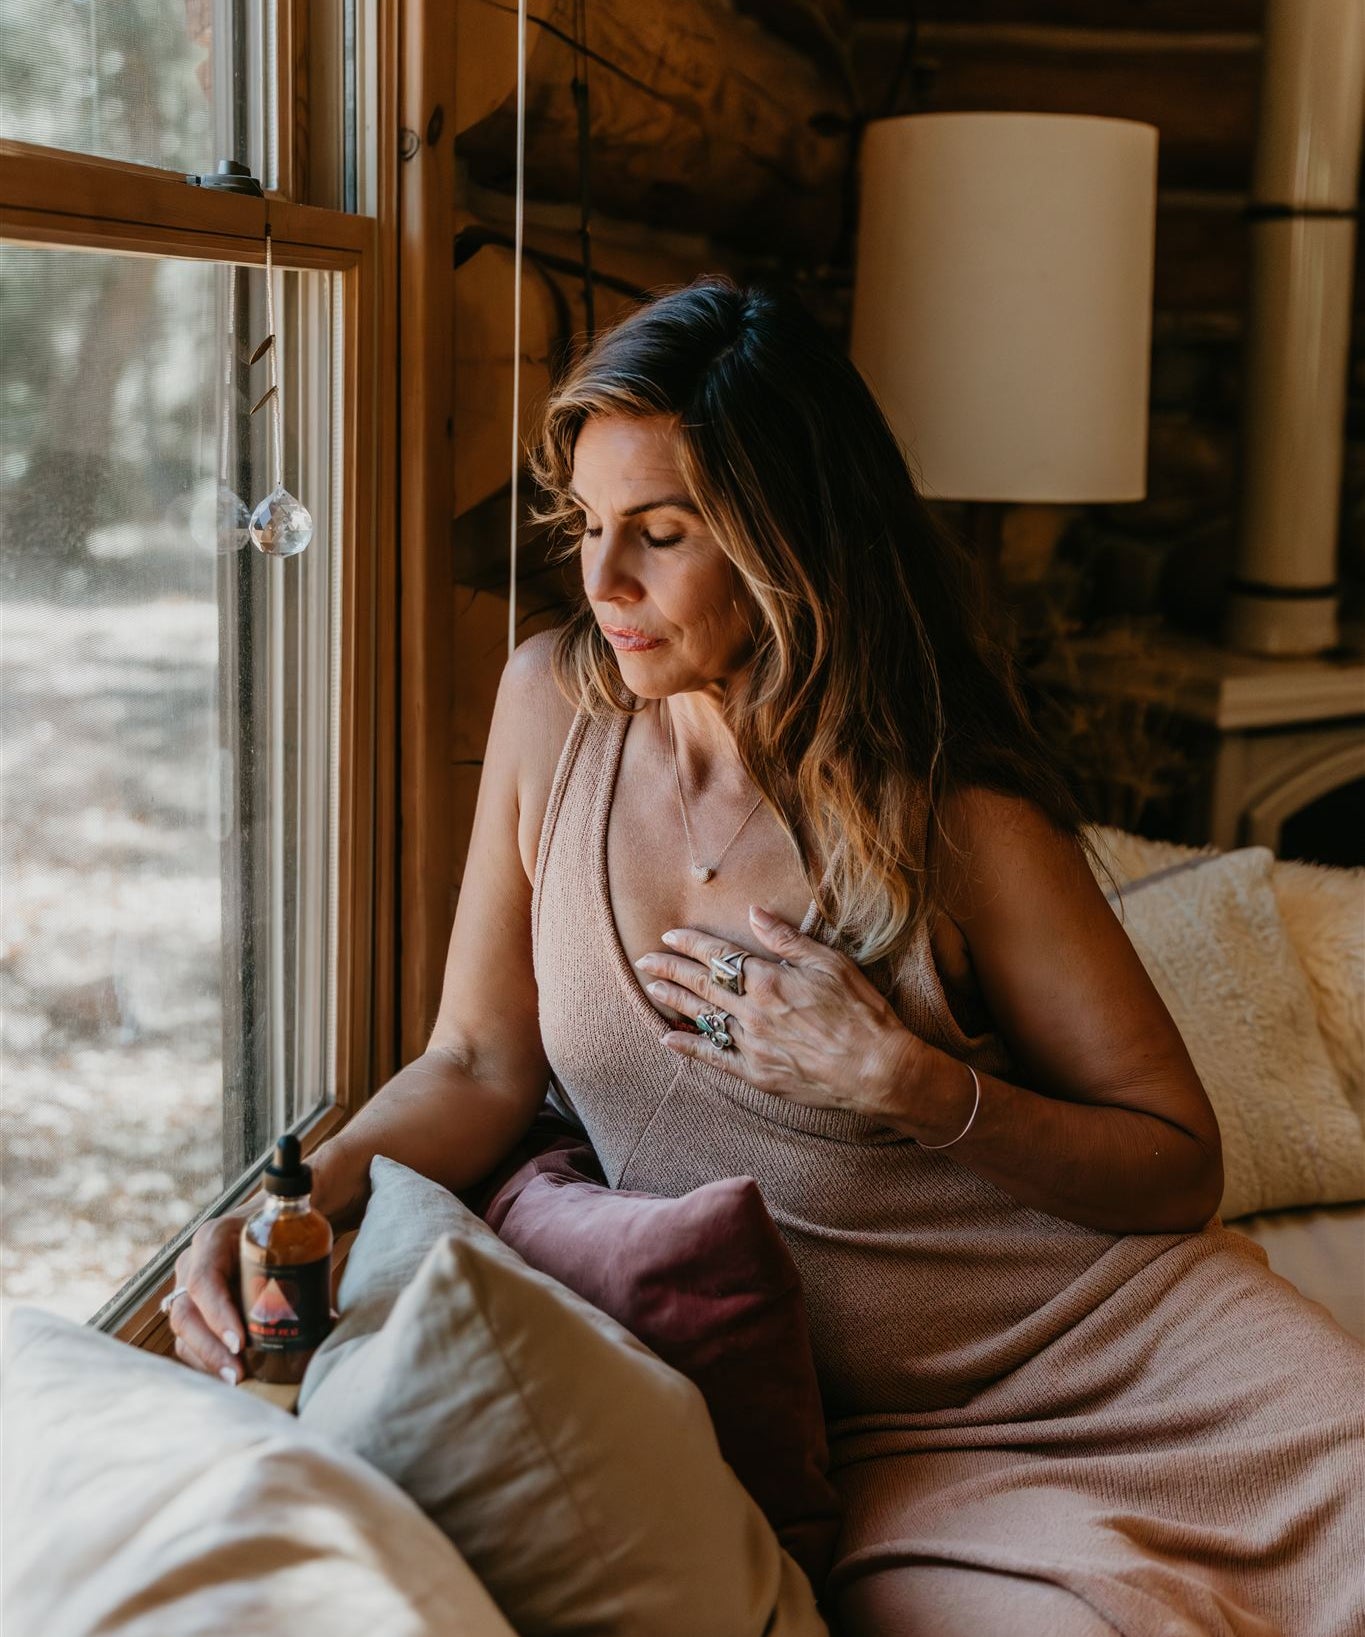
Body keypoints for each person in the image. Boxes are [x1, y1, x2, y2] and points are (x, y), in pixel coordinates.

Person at [168, 276, 1363, 1635]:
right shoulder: (550, 707)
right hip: (900, 1450)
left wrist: (908, 1082)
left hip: (1154, 1358)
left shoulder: (949, 805)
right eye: (587, 525)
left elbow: (1174, 1160)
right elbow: (479, 1059)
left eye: (659, 535)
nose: (601, 581)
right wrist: (291, 1207)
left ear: (786, 543)